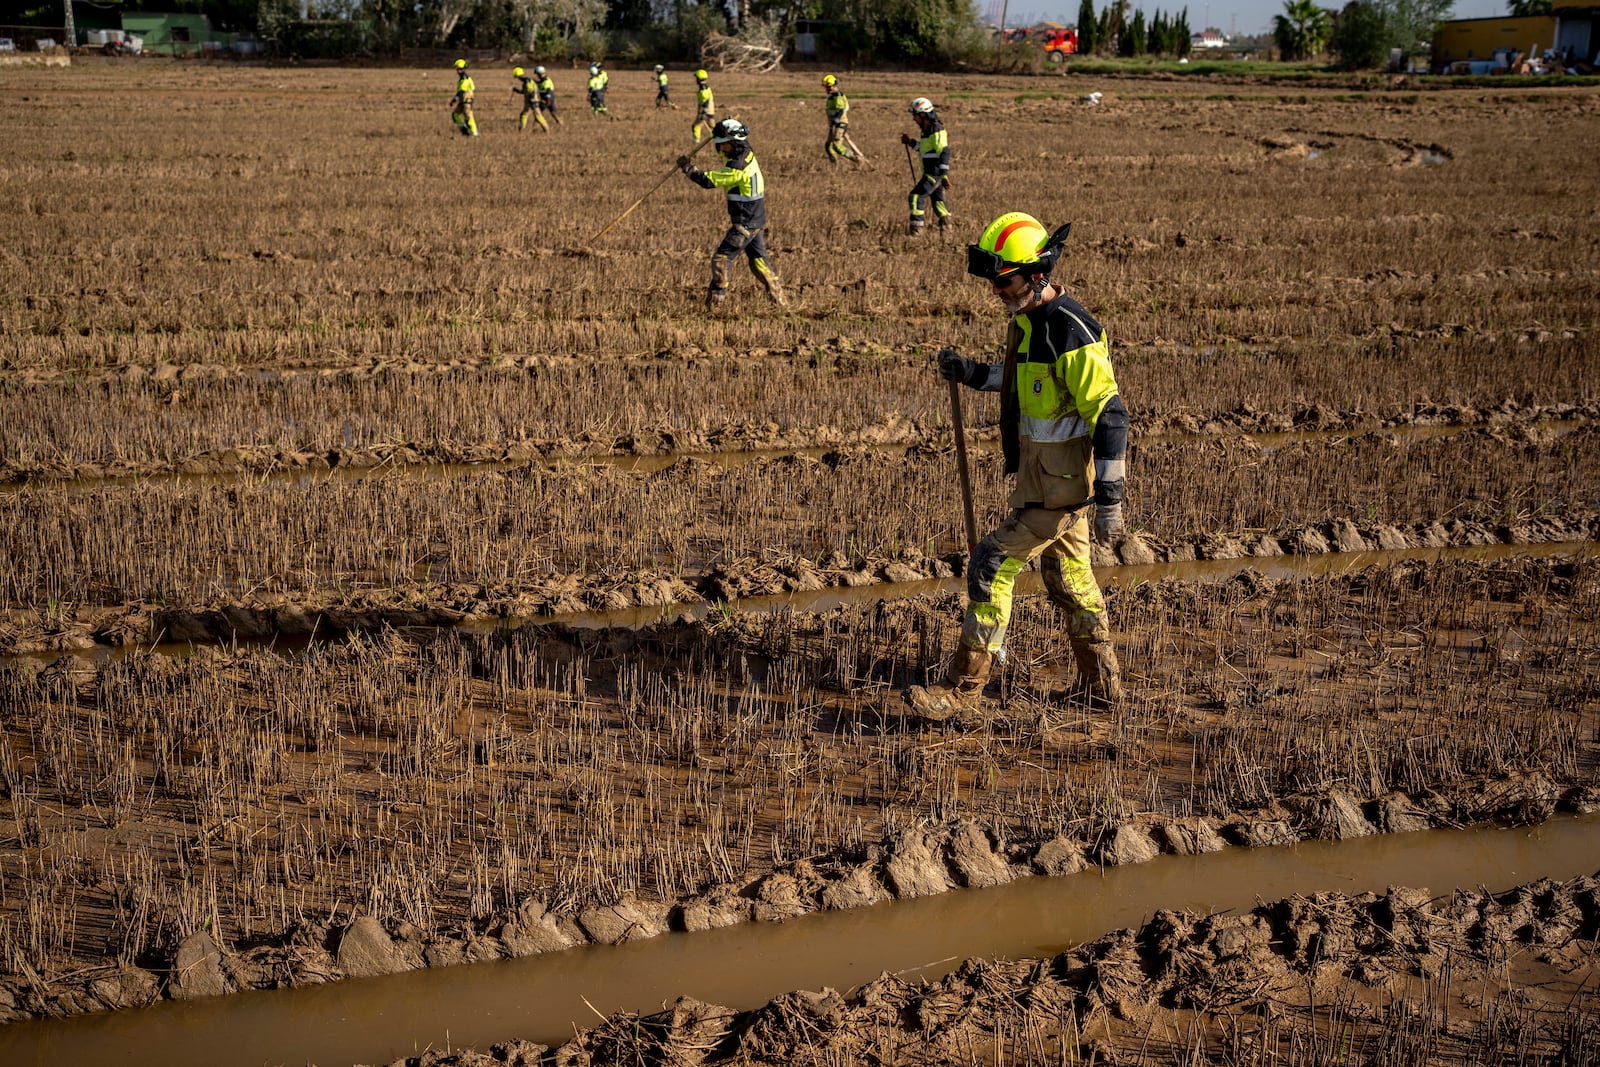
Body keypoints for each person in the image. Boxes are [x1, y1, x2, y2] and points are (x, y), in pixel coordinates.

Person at [905, 212, 1129, 721]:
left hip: (1061, 491)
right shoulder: (1029, 325)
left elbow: (1111, 415)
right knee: (1069, 580)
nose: (995, 290)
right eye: (992, 280)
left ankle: (961, 694)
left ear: (1036, 274)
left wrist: (1112, 497)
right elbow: (1019, 380)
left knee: (990, 563)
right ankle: (1102, 687)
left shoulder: (1071, 330)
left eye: (1003, 280)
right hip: (1042, 482)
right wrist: (971, 374)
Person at [677, 118, 786, 311]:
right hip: (755, 218)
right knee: (759, 262)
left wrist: (688, 169)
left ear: (734, 142)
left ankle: (716, 305)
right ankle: (782, 303)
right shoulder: (746, 153)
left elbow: (708, 181)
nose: (719, 149)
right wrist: (718, 129)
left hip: (746, 222)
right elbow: (725, 142)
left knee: (721, 259)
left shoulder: (738, 166)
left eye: (722, 145)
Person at [900, 97, 950, 234]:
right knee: (938, 201)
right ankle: (947, 230)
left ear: (923, 114)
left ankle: (916, 231)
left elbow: (944, 152)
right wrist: (910, 142)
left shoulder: (936, 129)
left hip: (933, 173)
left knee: (916, 197)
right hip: (931, 172)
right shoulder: (927, 130)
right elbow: (924, 149)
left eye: (915, 115)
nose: (913, 119)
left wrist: (944, 175)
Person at [822, 74, 861, 165]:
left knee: (836, 146)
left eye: (829, 87)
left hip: (840, 124)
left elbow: (841, 109)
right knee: (828, 146)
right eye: (826, 87)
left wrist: (837, 119)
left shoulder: (838, 96)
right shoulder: (832, 97)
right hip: (833, 125)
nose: (827, 89)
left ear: (835, 86)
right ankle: (835, 165)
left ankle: (856, 159)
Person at [511, 67, 548, 132]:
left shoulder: (528, 82)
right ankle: (521, 130)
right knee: (525, 114)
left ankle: (547, 130)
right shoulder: (527, 81)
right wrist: (517, 91)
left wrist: (532, 100)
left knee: (537, 116)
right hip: (531, 101)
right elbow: (525, 92)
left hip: (532, 101)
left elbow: (532, 91)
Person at [451, 58, 478, 137]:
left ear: (462, 69)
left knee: (469, 117)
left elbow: (461, 91)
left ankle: (475, 134)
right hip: (462, 101)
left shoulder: (465, 79)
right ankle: (464, 130)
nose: (456, 71)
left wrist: (454, 100)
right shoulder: (462, 79)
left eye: (458, 69)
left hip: (467, 101)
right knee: (455, 115)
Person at [692, 69, 715, 143]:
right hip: (710, 112)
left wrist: (703, 114)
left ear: (698, 79)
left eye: (696, 78)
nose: (695, 80)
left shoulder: (703, 90)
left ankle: (695, 143)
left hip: (705, 112)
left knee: (696, 126)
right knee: (713, 128)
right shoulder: (707, 88)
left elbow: (705, 103)